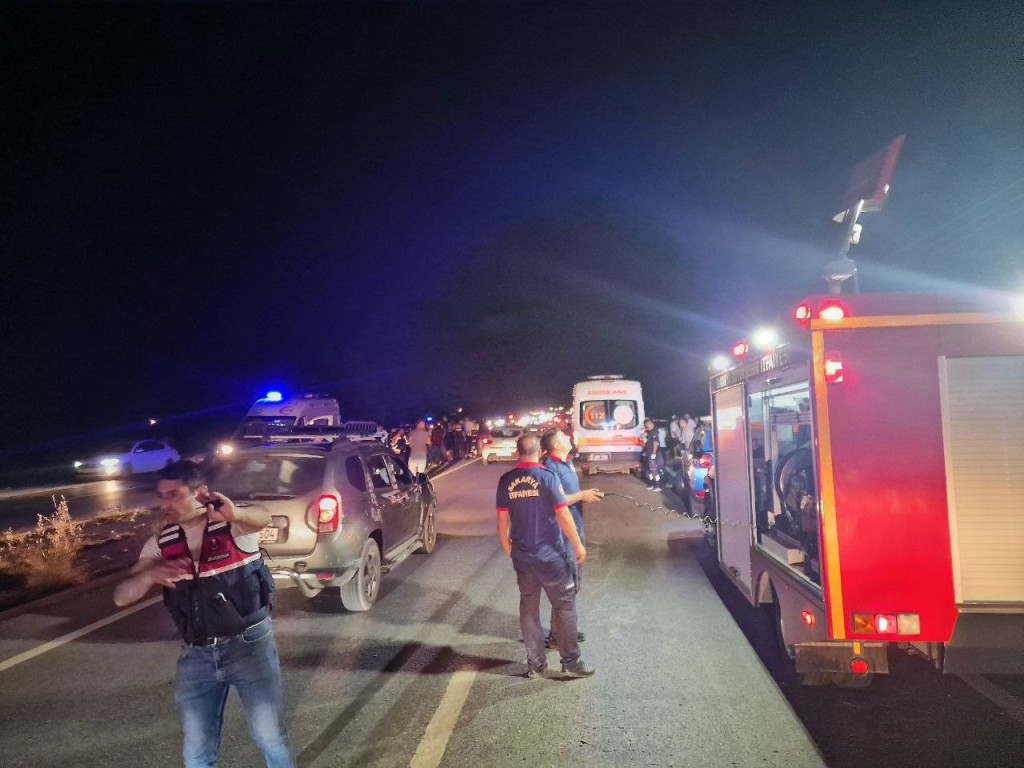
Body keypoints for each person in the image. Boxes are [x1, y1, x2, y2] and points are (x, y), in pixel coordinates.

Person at [113, 460, 295, 768]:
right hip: (196, 655)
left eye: (174, 495)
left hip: (249, 645)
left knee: (270, 737)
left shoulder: (232, 525)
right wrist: (148, 575)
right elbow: (121, 597)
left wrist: (236, 513)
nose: (165, 504)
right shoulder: (160, 544)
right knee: (196, 752)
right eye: (161, 496)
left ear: (200, 493)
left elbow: (263, 516)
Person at [496, 434, 596, 679]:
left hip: (522, 557)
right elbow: (563, 515)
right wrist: (578, 545)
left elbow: (502, 518)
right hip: (551, 556)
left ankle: (536, 665)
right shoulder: (547, 477)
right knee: (564, 606)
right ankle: (571, 662)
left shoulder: (506, 480)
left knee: (528, 609)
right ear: (539, 452)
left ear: (517, 452)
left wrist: (507, 546)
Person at [540, 428, 603, 648]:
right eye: (564, 437)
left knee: (573, 584)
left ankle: (565, 630)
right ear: (556, 445)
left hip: (575, 529)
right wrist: (581, 495)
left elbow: (568, 495)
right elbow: (553, 500)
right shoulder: (550, 467)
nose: (569, 438)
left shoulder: (566, 463)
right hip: (562, 534)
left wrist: (584, 496)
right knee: (565, 585)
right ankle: (558, 637)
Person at [642, 418, 664, 491]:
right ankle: (651, 484)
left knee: (653, 469)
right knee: (649, 470)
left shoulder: (654, 432)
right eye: (645, 425)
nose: (646, 426)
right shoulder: (648, 432)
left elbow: (655, 443)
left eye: (647, 424)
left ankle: (657, 486)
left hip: (653, 454)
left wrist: (654, 453)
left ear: (650, 424)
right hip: (648, 453)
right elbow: (645, 442)